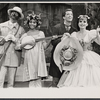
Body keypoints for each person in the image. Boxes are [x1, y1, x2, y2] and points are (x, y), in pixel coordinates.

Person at [57, 15, 100, 87]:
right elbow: (68, 45)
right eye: (80, 21)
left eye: (84, 22)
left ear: (87, 24)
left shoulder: (90, 33)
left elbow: (99, 42)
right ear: (78, 23)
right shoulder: (74, 34)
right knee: (73, 74)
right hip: (77, 56)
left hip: (88, 55)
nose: (82, 23)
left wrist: (98, 34)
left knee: (88, 72)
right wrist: (65, 37)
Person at [15, 11, 56, 87]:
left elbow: (44, 47)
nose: (32, 24)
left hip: (39, 57)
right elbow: (17, 46)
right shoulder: (25, 35)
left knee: (38, 78)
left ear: (37, 24)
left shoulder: (41, 33)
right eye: (30, 22)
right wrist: (26, 43)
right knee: (31, 78)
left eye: (34, 22)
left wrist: (51, 40)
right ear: (28, 22)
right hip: (29, 57)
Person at [49, 8, 77, 87]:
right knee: (55, 82)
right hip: (57, 59)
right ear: (64, 17)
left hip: (69, 60)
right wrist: (61, 39)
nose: (70, 16)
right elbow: (53, 42)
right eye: (68, 14)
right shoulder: (56, 28)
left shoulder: (74, 30)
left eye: (71, 14)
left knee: (66, 83)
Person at [0, 6, 25, 88]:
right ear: (10, 14)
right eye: (13, 12)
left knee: (11, 82)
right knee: (0, 79)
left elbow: (23, 45)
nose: (14, 14)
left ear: (19, 16)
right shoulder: (1, 26)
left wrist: (16, 40)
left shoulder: (21, 30)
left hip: (14, 57)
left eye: (17, 13)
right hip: (2, 55)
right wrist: (4, 39)